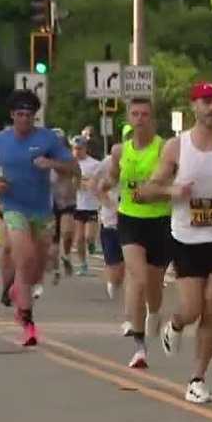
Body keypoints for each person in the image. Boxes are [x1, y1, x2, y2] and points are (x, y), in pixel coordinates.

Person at [140, 82, 212, 403]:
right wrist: (172, 191)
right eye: (205, 101)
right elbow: (147, 191)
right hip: (187, 236)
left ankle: (197, 378)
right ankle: (174, 325)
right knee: (191, 309)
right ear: (194, 107)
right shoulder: (177, 147)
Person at [0, 88, 77, 346]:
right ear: (12, 115)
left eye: (29, 115)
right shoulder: (0, 141)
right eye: (20, 114)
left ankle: (17, 289)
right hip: (13, 207)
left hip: (42, 210)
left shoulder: (47, 139)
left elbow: (72, 167)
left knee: (38, 269)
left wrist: (52, 164)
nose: (24, 119)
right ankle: (27, 322)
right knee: (23, 259)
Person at [101, 98, 169, 368]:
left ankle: (154, 311)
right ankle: (139, 346)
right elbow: (114, 176)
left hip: (160, 220)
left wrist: (157, 190)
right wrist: (103, 184)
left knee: (154, 284)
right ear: (128, 118)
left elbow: (173, 181)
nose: (139, 119)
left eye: (145, 114)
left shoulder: (164, 148)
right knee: (138, 279)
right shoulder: (120, 150)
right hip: (130, 219)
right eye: (135, 114)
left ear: (152, 119)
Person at [96, 146, 125, 299]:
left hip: (130, 223)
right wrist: (109, 205)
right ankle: (113, 282)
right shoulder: (107, 163)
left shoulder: (143, 163)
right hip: (110, 223)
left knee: (127, 266)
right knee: (116, 271)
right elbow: (96, 186)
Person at [50, 136, 80, 283]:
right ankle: (56, 270)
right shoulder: (46, 160)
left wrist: (76, 188)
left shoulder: (71, 161)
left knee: (67, 232)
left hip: (68, 201)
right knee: (54, 240)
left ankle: (66, 256)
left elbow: (77, 173)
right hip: (51, 202)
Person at [71, 137, 102, 275]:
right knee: (79, 239)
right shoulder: (69, 163)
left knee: (89, 236)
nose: (77, 152)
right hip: (76, 205)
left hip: (91, 205)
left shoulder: (94, 164)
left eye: (79, 149)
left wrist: (88, 183)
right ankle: (83, 265)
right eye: (75, 149)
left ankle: (92, 245)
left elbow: (99, 182)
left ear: (85, 149)